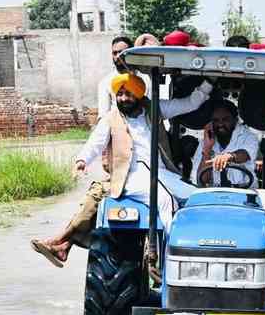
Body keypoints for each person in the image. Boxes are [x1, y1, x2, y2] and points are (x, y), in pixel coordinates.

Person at [33, 72, 212, 265]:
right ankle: (174, 257)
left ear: (139, 94)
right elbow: (95, 143)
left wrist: (209, 83)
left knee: (197, 196)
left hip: (161, 173)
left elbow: (191, 103)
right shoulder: (111, 118)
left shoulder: (155, 109)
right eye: (119, 94)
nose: (123, 98)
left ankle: (205, 246)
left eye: (129, 94)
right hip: (131, 177)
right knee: (164, 200)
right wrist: (82, 161)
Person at [191, 99, 259, 189]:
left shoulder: (248, 136)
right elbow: (202, 181)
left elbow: (244, 155)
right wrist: (207, 149)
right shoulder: (206, 142)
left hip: (245, 192)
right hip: (216, 194)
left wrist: (229, 157)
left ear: (235, 120)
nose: (220, 124)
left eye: (225, 119)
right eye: (216, 120)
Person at [96, 36, 135, 121]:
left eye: (121, 52)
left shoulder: (144, 77)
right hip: (118, 126)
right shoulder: (105, 83)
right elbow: (103, 115)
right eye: (115, 53)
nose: (117, 56)